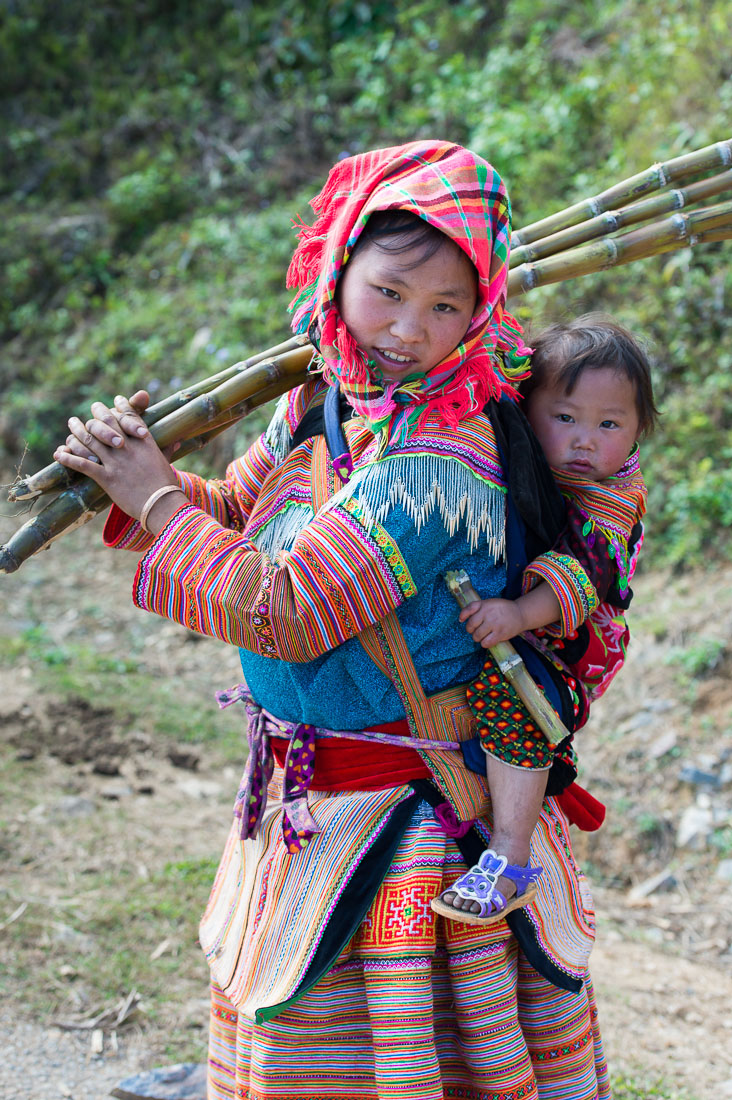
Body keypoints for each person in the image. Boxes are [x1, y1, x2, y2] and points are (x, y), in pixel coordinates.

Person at [55, 141, 612, 1100]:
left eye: (446, 307)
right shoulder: (331, 398)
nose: (410, 329)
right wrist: (134, 474)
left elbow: (287, 609)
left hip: (402, 829)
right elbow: (236, 510)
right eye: (390, 292)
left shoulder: (437, 462)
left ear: (481, 309)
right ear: (340, 265)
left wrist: (155, 507)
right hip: (309, 806)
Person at [433, 316, 656, 925]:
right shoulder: (518, 449)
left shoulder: (610, 500)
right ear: (527, 409)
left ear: (638, 432)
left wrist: (516, 613)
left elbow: (583, 577)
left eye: (609, 425)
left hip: (573, 642)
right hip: (528, 616)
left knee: (517, 696)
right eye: (566, 418)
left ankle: (509, 854)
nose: (586, 441)